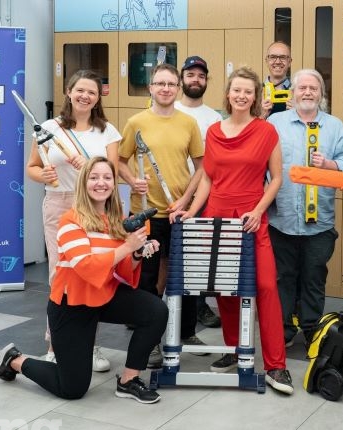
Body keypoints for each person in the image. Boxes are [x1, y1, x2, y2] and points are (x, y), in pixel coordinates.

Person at [0, 157, 168, 404]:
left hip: (104, 295)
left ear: (113, 184)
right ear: (84, 183)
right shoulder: (70, 221)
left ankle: (129, 380)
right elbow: (87, 267)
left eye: (107, 178)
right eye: (94, 177)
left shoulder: (115, 220)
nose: (101, 183)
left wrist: (137, 254)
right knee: (72, 388)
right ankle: (15, 360)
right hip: (72, 304)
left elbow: (120, 269)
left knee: (155, 310)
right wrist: (127, 246)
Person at [175, 66, 294, 395]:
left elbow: (277, 178)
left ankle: (276, 366)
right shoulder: (213, 131)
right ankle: (235, 351)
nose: (242, 96)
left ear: (256, 97)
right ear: (228, 94)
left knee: (266, 287)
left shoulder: (266, 131)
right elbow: (208, 179)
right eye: (236, 90)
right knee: (225, 289)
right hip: (217, 215)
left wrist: (258, 210)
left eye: (248, 91)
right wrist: (192, 211)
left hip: (251, 218)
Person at [25, 69, 120, 372]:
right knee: (60, 277)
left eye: (91, 91)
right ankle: (55, 346)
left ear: (98, 97)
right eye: (80, 90)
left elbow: (112, 175)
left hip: (94, 209)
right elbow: (33, 167)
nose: (85, 96)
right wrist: (45, 174)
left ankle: (90, 346)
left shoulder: (107, 131)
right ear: (68, 91)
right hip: (58, 205)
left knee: (92, 278)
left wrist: (90, 167)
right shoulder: (49, 128)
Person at [117, 63, 206, 367]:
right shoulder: (136, 122)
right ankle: (151, 339)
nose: (166, 88)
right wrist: (131, 180)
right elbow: (119, 161)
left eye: (171, 84)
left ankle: (186, 332)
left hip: (179, 212)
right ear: (151, 88)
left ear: (178, 88)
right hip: (147, 214)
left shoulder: (189, 123)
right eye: (160, 83)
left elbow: (202, 166)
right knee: (150, 279)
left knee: (184, 274)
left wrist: (185, 198)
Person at [267, 68, 343, 347]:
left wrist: (330, 165)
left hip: (320, 223)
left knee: (314, 279)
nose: (307, 92)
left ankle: (312, 330)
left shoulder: (335, 127)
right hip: (281, 220)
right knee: (283, 278)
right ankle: (283, 332)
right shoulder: (275, 123)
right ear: (293, 94)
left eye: (313, 88)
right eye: (302, 88)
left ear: (321, 95)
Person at [174, 55, 223, 329]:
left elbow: (210, 164)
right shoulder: (171, 109)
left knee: (201, 257)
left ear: (206, 81)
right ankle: (165, 309)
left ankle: (199, 307)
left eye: (201, 76)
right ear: (182, 79)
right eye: (190, 75)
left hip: (203, 196)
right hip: (169, 194)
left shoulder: (214, 117)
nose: (196, 80)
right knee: (167, 258)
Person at [261, 41, 292, 118]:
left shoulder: (298, 91)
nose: (278, 61)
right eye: (273, 57)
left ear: (290, 62)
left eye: (283, 57)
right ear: (266, 61)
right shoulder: (254, 91)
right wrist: (260, 116)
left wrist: (299, 113)